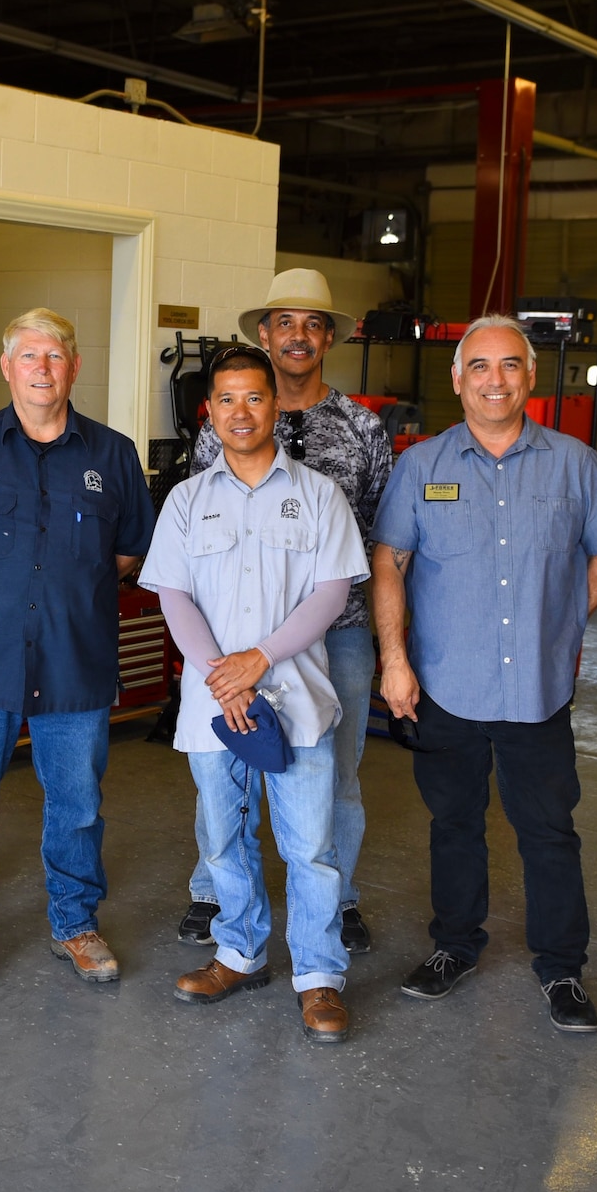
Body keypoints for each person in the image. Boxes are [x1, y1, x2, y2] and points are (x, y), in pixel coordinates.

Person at [369, 314, 597, 1033]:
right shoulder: (422, 465)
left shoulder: (573, 463)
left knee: (549, 831)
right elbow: (388, 562)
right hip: (446, 686)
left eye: (510, 365)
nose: (495, 379)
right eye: (480, 367)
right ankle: (454, 947)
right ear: (458, 380)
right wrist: (394, 660)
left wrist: (564, 618)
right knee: (454, 823)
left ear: (531, 377)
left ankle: (562, 969)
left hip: (538, 690)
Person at [0, 307, 155, 994]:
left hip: (74, 660)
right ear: (7, 366)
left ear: (74, 367)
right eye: (29, 356)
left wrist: (63, 593)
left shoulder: (112, 454)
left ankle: (75, 922)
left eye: (55, 356)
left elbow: (131, 548)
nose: (43, 368)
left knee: (76, 801)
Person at [140, 346, 369, 1043]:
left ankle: (320, 977)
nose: (242, 412)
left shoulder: (320, 495)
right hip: (216, 706)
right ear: (210, 411)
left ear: (276, 405)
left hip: (297, 701)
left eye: (255, 398)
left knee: (311, 847)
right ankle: (238, 954)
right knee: (223, 837)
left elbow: (332, 593)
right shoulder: (185, 501)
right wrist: (222, 674)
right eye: (227, 399)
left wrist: (260, 658)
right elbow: (173, 594)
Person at [178, 268, 390, 955]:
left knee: (334, 773)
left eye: (313, 323)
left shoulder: (362, 426)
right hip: (235, 632)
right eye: (285, 323)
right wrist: (226, 659)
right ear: (265, 334)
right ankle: (215, 895)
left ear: (328, 336)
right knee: (224, 766)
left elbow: (382, 535)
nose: (298, 336)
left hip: (342, 630)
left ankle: (338, 902)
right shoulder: (219, 435)